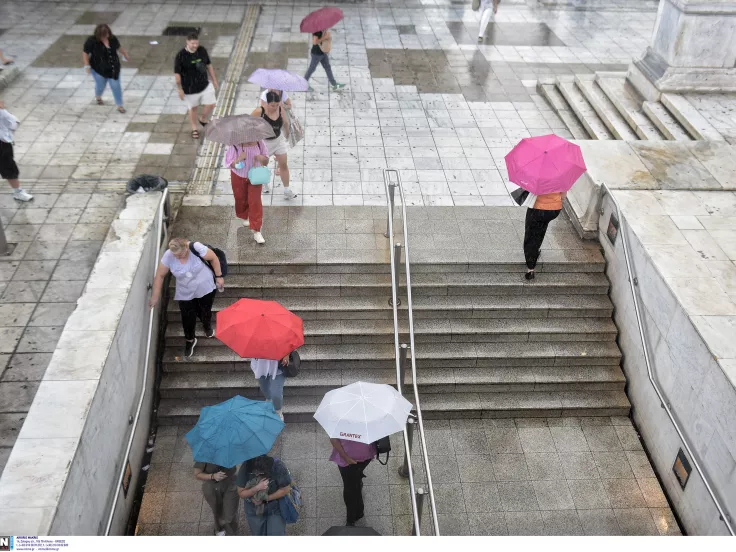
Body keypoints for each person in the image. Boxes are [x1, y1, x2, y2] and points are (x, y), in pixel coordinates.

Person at [149, 238, 224, 358]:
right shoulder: (169, 255)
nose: (178, 257)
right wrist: (155, 296)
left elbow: (213, 258)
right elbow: (160, 275)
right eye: (175, 255)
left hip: (205, 286)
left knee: (205, 310)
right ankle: (190, 340)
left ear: (186, 248)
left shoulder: (196, 247)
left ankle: (207, 326)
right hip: (185, 291)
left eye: (180, 254)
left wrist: (219, 276)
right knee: (187, 317)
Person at [251, 93, 296, 199]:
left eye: (276, 105)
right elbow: (248, 123)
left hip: (278, 140)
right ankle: (265, 184)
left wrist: (287, 134)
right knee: (263, 165)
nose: (274, 107)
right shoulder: (259, 111)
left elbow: (285, 122)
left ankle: (286, 190)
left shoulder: (280, 109)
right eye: (272, 105)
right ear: (267, 103)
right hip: (264, 142)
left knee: (283, 164)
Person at [175, 32, 218, 139]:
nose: (195, 46)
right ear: (187, 42)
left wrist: (214, 80)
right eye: (192, 43)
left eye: (196, 43)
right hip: (189, 88)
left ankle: (203, 118)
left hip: (204, 84)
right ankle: (194, 128)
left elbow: (209, 65)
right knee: (193, 108)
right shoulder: (181, 56)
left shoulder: (202, 50)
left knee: (211, 104)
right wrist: (180, 89)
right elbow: (177, 74)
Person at [225, 140, 269, 243]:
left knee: (255, 202)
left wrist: (261, 158)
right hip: (238, 176)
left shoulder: (259, 142)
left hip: (255, 176)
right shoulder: (234, 145)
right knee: (240, 198)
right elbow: (229, 163)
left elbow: (266, 160)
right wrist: (239, 158)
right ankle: (243, 214)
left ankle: (257, 230)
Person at [236, 455, 293, 536]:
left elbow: (285, 489)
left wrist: (265, 498)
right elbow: (241, 493)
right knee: (258, 533)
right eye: (254, 473)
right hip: (254, 509)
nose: (257, 474)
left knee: (276, 534)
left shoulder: (278, 466)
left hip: (275, 507)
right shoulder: (246, 466)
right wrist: (256, 488)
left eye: (260, 473)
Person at [329, 438, 376, 526]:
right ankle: (355, 515)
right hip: (356, 457)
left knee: (350, 489)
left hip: (352, 458)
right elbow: (333, 438)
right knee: (351, 486)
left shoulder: (338, 424)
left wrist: (345, 457)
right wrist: (346, 458)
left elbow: (333, 439)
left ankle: (353, 517)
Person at [83, 24, 129, 113]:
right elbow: (85, 53)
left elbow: (118, 47)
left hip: (113, 67)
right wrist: (87, 66)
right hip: (98, 68)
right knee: (101, 85)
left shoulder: (112, 39)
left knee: (116, 86)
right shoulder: (91, 41)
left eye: (106, 35)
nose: (104, 37)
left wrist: (125, 54)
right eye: (102, 36)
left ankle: (120, 105)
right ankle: (98, 96)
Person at [523, 192, 565, 280]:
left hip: (538, 208)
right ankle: (536, 249)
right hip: (554, 210)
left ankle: (530, 268)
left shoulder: (539, 177)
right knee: (542, 228)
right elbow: (563, 196)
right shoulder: (560, 178)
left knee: (531, 234)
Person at [194, 462, 239, 536]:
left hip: (231, 485)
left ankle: (231, 532)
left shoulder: (231, 450)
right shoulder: (204, 453)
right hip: (212, 487)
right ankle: (219, 529)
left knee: (230, 513)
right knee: (218, 511)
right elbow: (197, 475)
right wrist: (212, 476)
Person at [0, 100, 33, 202]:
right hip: (3, 143)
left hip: (2, 145)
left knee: (9, 167)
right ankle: (18, 192)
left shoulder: (2, 113)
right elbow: (14, 123)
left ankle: (18, 192)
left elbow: (14, 122)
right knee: (9, 167)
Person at [250, 356, 290, 421]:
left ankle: (278, 411)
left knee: (276, 394)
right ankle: (269, 399)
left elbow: (290, 345)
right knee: (264, 388)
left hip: (278, 364)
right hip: (261, 364)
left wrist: (287, 354)